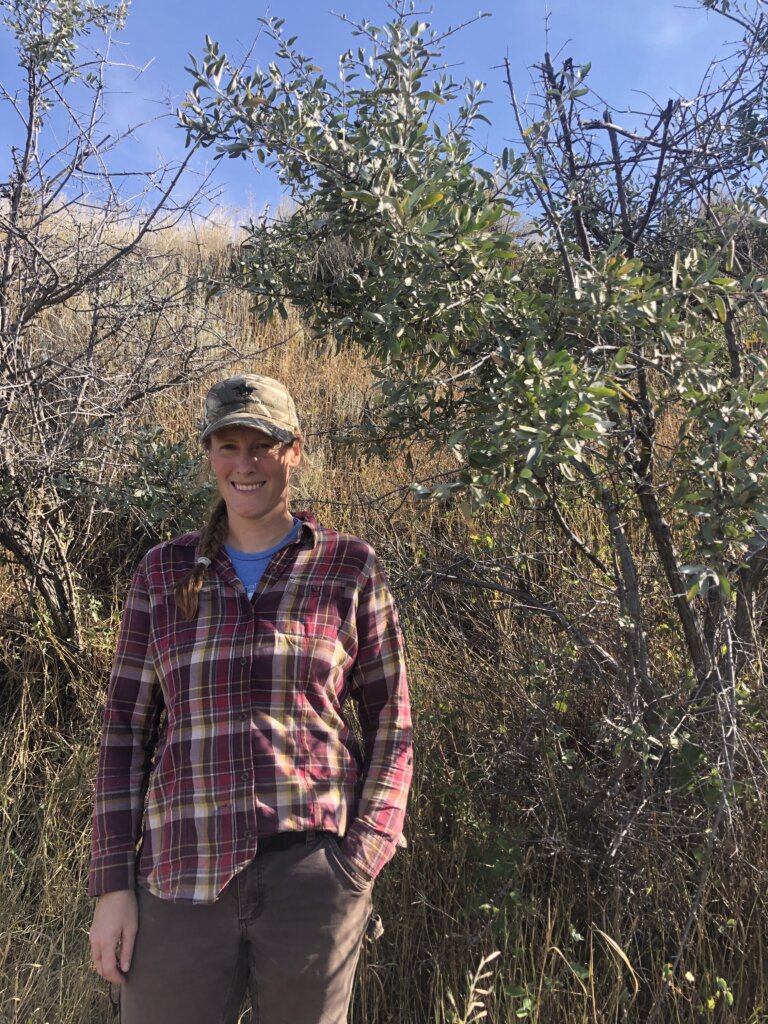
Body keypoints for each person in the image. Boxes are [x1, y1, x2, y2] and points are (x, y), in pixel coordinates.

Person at [88, 374, 413, 1024]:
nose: (245, 464)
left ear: (293, 449)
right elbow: (124, 731)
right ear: (209, 454)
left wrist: (362, 857)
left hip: (311, 879)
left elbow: (391, 720)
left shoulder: (348, 568)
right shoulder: (164, 572)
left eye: (261, 445)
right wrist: (113, 887)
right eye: (228, 446)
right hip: (182, 875)